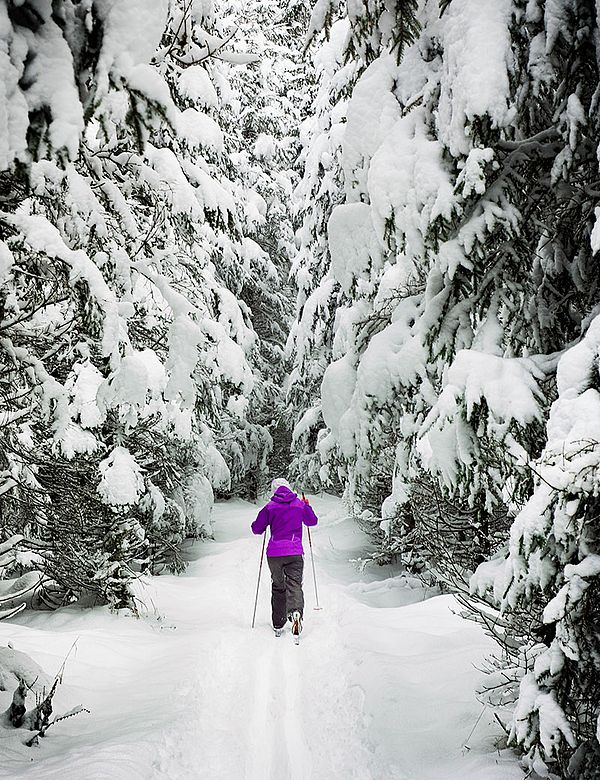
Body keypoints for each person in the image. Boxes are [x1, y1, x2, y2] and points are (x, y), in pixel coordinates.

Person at [251, 478, 318, 638]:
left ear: (274, 490)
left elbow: (256, 529)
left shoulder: (270, 507)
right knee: (294, 584)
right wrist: (307, 505)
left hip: (274, 554)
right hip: (294, 552)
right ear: (288, 488)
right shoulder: (299, 504)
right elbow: (312, 521)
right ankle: (295, 613)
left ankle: (278, 623)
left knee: (278, 586)